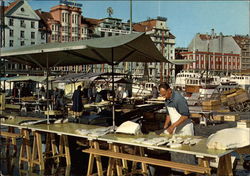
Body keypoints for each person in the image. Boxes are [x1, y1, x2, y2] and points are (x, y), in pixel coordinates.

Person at [158, 83, 195, 175]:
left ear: (169, 90)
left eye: (164, 94)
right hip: (175, 128)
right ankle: (177, 172)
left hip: (185, 129)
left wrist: (172, 127)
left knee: (186, 152)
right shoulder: (167, 100)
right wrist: (166, 126)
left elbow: (185, 115)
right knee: (175, 151)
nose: (163, 96)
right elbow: (168, 114)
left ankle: (190, 172)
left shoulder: (179, 99)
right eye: (162, 95)